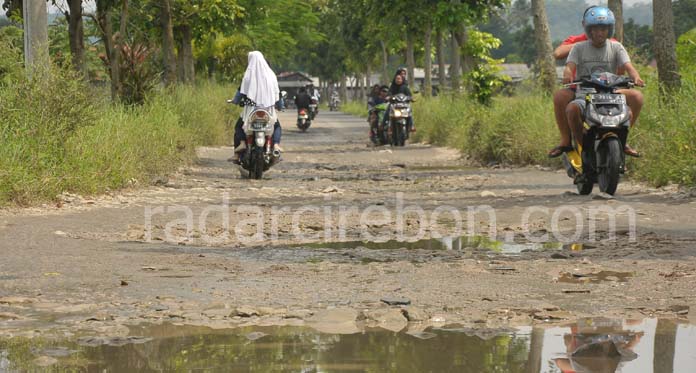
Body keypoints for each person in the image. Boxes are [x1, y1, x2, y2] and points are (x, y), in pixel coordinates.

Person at [548, 6, 644, 159]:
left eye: (603, 29)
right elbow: (563, 59)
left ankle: (621, 139)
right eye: (594, 29)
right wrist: (568, 73)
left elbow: (627, 67)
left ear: (609, 29)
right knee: (569, 106)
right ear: (587, 27)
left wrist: (635, 77)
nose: (599, 33)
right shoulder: (578, 45)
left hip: (609, 91)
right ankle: (572, 143)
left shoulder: (615, 46)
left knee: (637, 97)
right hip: (583, 90)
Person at [230, 51, 283, 163]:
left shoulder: (248, 76)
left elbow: (240, 92)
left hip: (251, 111)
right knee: (277, 126)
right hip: (268, 111)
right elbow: (277, 94)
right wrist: (280, 105)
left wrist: (235, 101)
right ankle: (276, 145)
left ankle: (242, 144)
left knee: (238, 126)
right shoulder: (271, 76)